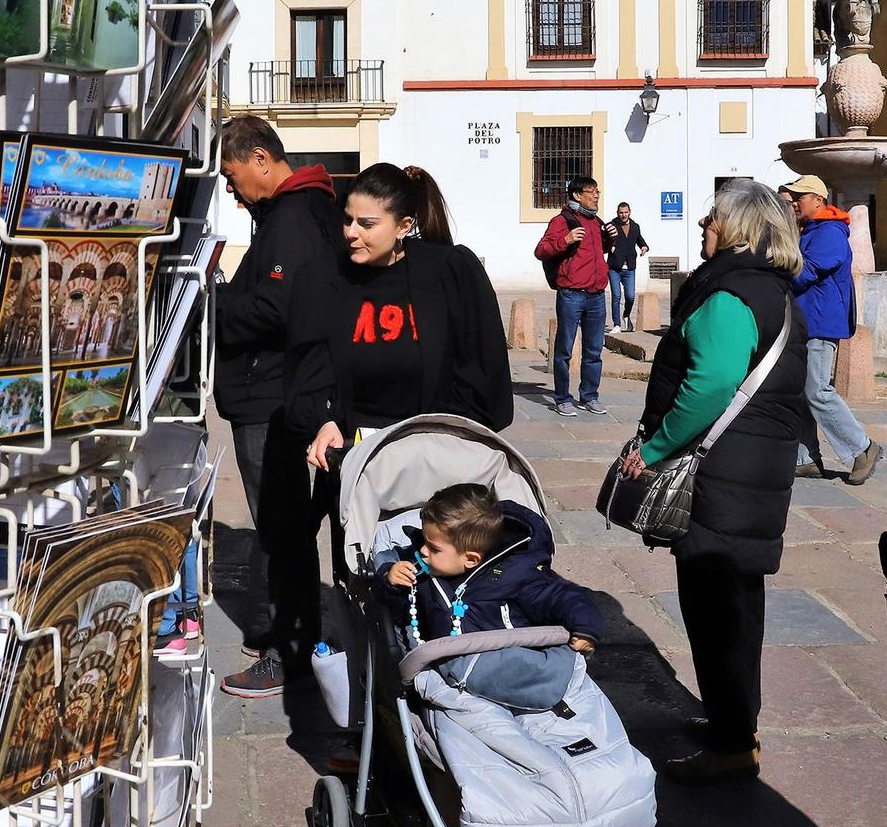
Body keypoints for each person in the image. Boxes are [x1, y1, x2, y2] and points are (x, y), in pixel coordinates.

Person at [618, 181, 807, 785]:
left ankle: (730, 747)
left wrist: (651, 450)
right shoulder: (770, 289)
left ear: (739, 229)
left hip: (724, 473)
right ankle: (736, 726)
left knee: (717, 610)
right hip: (752, 468)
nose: (704, 224)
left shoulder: (730, 294)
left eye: (713, 218)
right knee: (737, 604)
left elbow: (708, 388)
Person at [212, 115, 342, 700]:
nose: (237, 196)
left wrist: (212, 308)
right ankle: (283, 627)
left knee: (282, 526)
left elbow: (279, 307)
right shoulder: (292, 211)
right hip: (275, 391)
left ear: (261, 159)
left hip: (272, 394)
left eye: (236, 179)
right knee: (282, 524)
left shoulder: (292, 217)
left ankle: (287, 648)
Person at [287, 162, 513, 477]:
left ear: (403, 226)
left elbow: (482, 373)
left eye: (367, 223)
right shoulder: (323, 279)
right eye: (348, 219)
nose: (352, 233)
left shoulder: (449, 274)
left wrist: (440, 438)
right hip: (356, 461)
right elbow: (308, 370)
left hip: (437, 463)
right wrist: (324, 422)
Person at [375, 483, 604, 649]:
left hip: (504, 660)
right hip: (445, 665)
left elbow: (562, 596)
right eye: (424, 541)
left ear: (471, 559)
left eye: (433, 548)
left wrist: (586, 627)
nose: (423, 551)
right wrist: (390, 579)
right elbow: (398, 610)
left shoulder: (516, 574)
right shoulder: (418, 567)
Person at [782, 174, 883, 484]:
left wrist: (775, 265)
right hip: (808, 321)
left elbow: (804, 272)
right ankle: (806, 457)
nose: (795, 202)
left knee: (817, 390)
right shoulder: (811, 230)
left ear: (818, 200)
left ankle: (862, 448)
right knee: (802, 391)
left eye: (800, 196)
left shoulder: (829, 232)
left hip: (821, 324)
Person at [534, 176, 610, 417]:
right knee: (564, 350)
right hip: (571, 294)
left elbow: (595, 253)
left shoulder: (596, 221)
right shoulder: (561, 221)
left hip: (597, 295)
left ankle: (589, 396)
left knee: (594, 350)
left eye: (597, 191)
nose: (596, 195)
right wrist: (564, 240)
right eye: (591, 191)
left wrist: (609, 241)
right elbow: (541, 250)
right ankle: (562, 398)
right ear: (577, 195)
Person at [604, 201, 649, 332]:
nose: (623, 215)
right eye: (621, 213)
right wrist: (609, 246)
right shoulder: (611, 225)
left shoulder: (635, 226)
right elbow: (604, 239)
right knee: (616, 296)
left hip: (629, 267)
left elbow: (639, 239)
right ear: (617, 213)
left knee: (630, 296)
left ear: (629, 212)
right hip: (614, 267)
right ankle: (617, 324)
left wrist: (644, 247)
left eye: (626, 212)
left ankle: (626, 315)